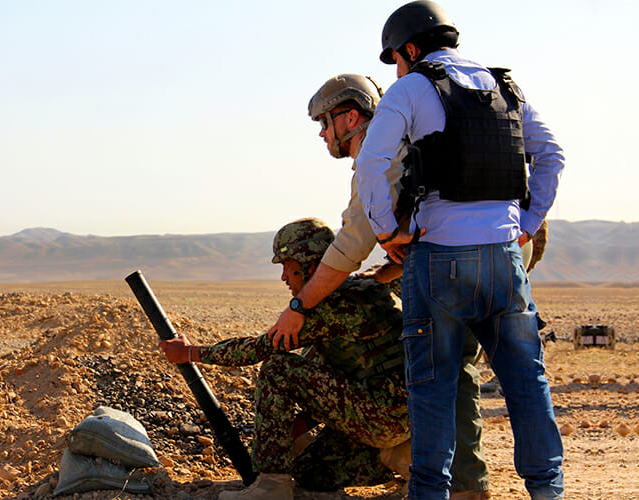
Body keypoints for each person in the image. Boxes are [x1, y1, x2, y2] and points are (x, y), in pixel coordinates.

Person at [354, 2, 565, 499]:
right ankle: (548, 492)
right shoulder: (505, 88)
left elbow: (370, 164)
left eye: (396, 58)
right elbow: (552, 155)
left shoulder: (411, 88)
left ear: (409, 48)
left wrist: (386, 233)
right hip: (503, 260)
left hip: (439, 261)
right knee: (527, 385)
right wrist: (526, 226)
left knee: (432, 392)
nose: (398, 69)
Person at [268, 73, 491, 498]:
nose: (321, 133)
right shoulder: (417, 141)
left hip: (444, 274)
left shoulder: (379, 154)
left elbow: (353, 240)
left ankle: (447, 479)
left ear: (350, 117)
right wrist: (386, 273)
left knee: (439, 377)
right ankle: (468, 480)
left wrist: (302, 304)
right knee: (461, 377)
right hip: (486, 260)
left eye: (324, 122)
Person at [160, 218, 411, 499]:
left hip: (381, 415)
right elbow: (334, 384)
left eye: (287, 267)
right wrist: (295, 428)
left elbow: (258, 349)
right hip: (401, 415)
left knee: (278, 368)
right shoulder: (366, 287)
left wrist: (190, 352)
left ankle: (271, 488)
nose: (283, 278)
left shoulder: (333, 305)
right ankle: (400, 456)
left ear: (310, 265)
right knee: (309, 471)